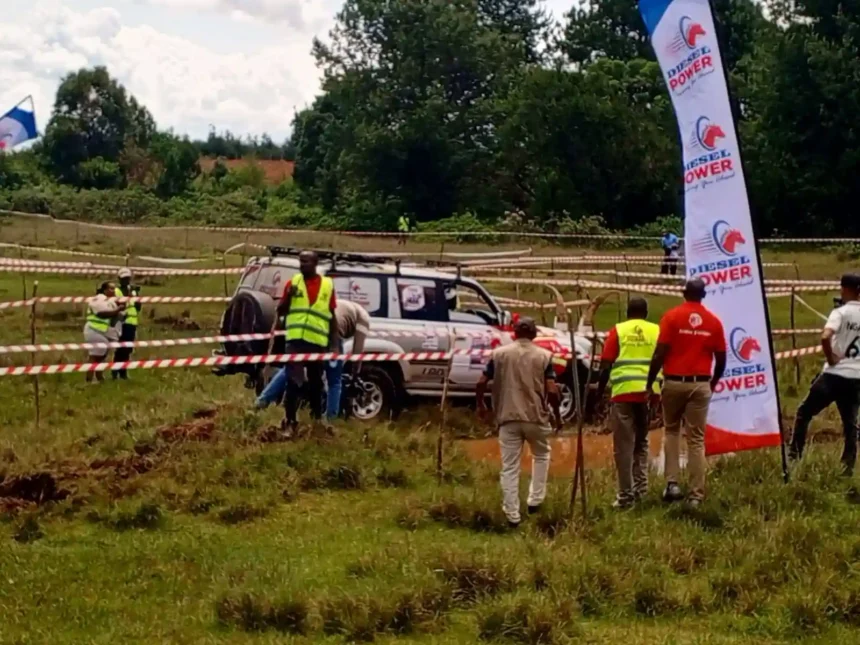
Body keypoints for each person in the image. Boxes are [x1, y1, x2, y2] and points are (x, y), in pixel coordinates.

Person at [476, 317, 563, 527]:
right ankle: (535, 501)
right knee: (542, 454)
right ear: (534, 335)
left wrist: (481, 405)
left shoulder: (499, 355)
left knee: (509, 466)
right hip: (535, 416)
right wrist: (557, 415)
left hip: (507, 417)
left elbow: (481, 382)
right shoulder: (544, 356)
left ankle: (512, 515)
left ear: (514, 333)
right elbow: (552, 390)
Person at [646, 279, 726, 506]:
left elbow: (659, 353)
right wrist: (713, 382)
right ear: (703, 295)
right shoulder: (713, 322)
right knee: (696, 440)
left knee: (671, 431)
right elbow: (721, 359)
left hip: (673, 383)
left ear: (684, 293)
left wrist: (649, 382)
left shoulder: (671, 318)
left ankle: (672, 484)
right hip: (700, 384)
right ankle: (696, 495)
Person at [790, 273, 860, 475]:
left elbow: (825, 336)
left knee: (804, 413)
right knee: (850, 425)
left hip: (834, 375)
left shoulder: (841, 312)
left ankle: (794, 456)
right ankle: (847, 469)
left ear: (845, 289)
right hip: (856, 378)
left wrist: (831, 359)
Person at [596, 298, 661, 509]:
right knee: (641, 443)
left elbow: (606, 362)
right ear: (646, 312)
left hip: (623, 393)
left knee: (624, 447)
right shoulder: (656, 331)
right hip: (648, 395)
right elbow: (662, 360)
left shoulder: (619, 330)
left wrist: (599, 392)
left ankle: (625, 497)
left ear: (627, 312)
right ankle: (641, 491)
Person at [255, 299, 368, 419]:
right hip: (332, 334)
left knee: (291, 368)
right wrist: (355, 373)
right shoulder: (364, 319)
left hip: (310, 329)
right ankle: (330, 418)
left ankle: (262, 400)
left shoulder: (343, 305)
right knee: (334, 381)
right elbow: (357, 350)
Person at [277, 251, 337, 432]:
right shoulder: (293, 283)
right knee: (293, 380)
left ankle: (317, 420)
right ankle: (290, 421)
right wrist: (288, 296)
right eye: (300, 261)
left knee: (316, 382)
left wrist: (334, 342)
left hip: (317, 341)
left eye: (306, 261)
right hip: (295, 340)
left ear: (315, 263)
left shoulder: (327, 285)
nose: (302, 265)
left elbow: (332, 315)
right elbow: (280, 310)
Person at [84, 281, 126, 383]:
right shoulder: (98, 299)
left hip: (104, 331)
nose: (114, 290)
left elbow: (116, 318)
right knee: (95, 355)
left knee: (102, 355)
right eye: (111, 288)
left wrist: (120, 313)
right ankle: (89, 379)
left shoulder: (111, 301)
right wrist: (117, 310)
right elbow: (101, 314)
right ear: (105, 290)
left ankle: (99, 377)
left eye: (114, 288)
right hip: (94, 330)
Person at [112, 268, 141, 380]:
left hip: (132, 322)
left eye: (127, 278)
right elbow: (117, 305)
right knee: (121, 349)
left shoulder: (133, 291)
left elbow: (138, 307)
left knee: (128, 349)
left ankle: (123, 372)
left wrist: (136, 296)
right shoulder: (117, 291)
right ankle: (115, 371)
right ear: (119, 279)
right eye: (124, 279)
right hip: (122, 322)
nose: (126, 281)